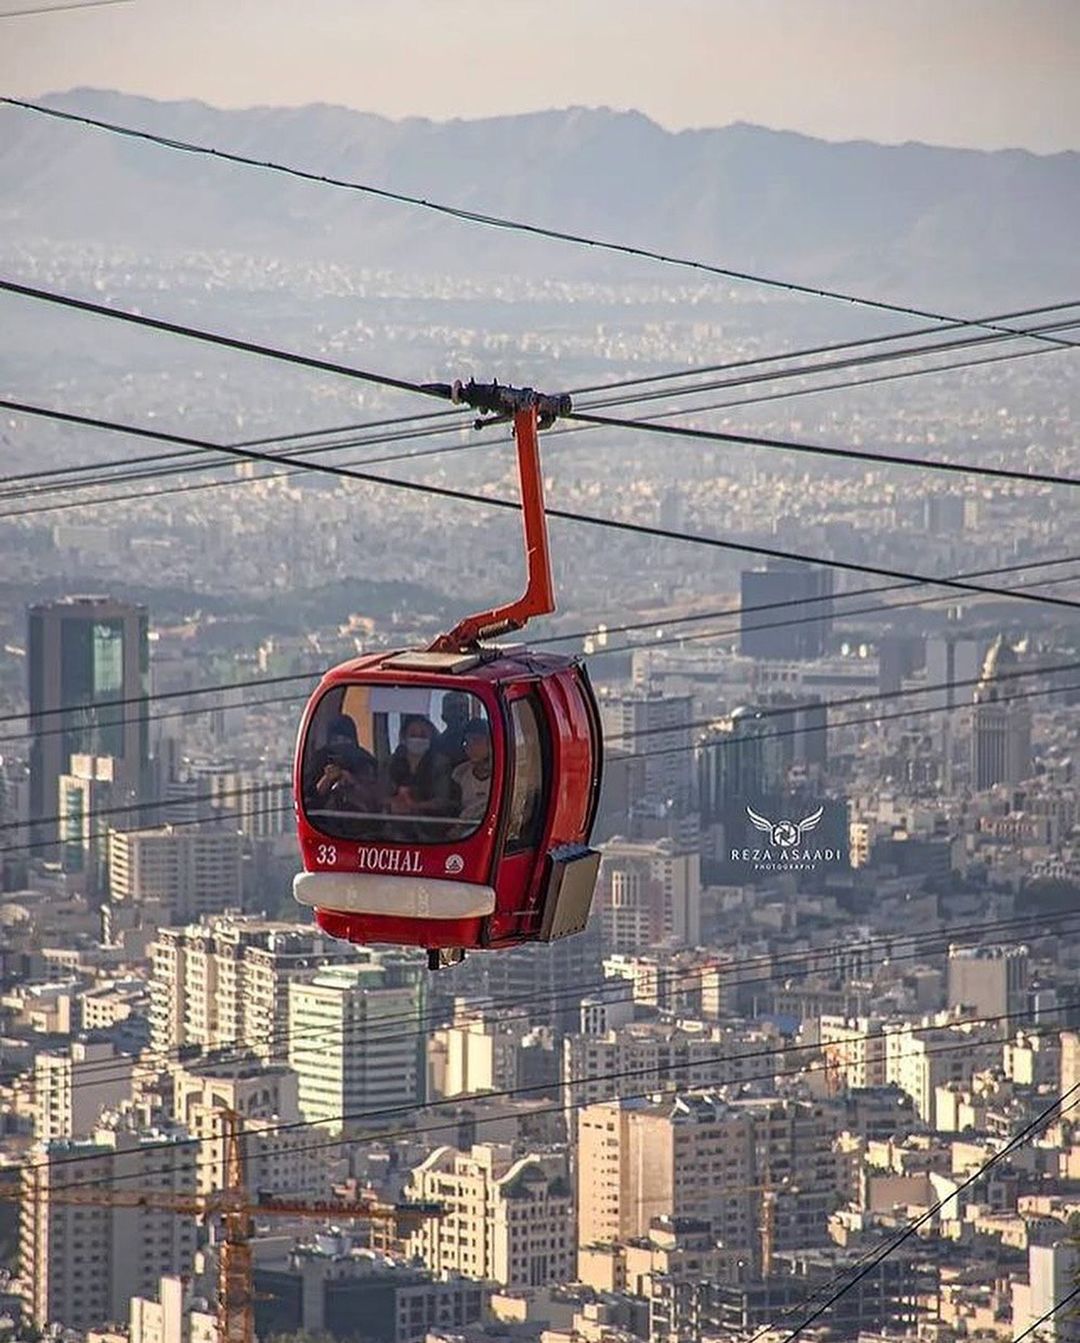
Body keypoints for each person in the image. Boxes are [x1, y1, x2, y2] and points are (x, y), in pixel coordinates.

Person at [385, 715, 457, 835]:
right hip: (393, 830)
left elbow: (443, 801)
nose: (418, 739)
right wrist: (395, 801)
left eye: (423, 735)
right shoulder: (390, 762)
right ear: (403, 738)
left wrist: (415, 805)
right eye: (413, 735)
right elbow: (379, 795)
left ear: (431, 738)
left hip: (431, 830)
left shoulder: (441, 763)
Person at [305, 713, 380, 819]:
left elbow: (375, 801)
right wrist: (327, 779)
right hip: (325, 824)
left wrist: (352, 781)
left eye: (346, 740)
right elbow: (308, 801)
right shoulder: (319, 759)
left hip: (362, 825)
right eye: (336, 741)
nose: (341, 746)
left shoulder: (365, 761)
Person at [452, 719, 493, 824]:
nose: (471, 747)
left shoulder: (503, 772)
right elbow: (454, 807)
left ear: (491, 743)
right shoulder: (459, 773)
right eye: (466, 742)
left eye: (477, 741)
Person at [434, 692, 472, 767]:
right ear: (443, 717)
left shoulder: (478, 741)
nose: (459, 712)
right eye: (453, 708)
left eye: (462, 707)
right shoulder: (437, 743)